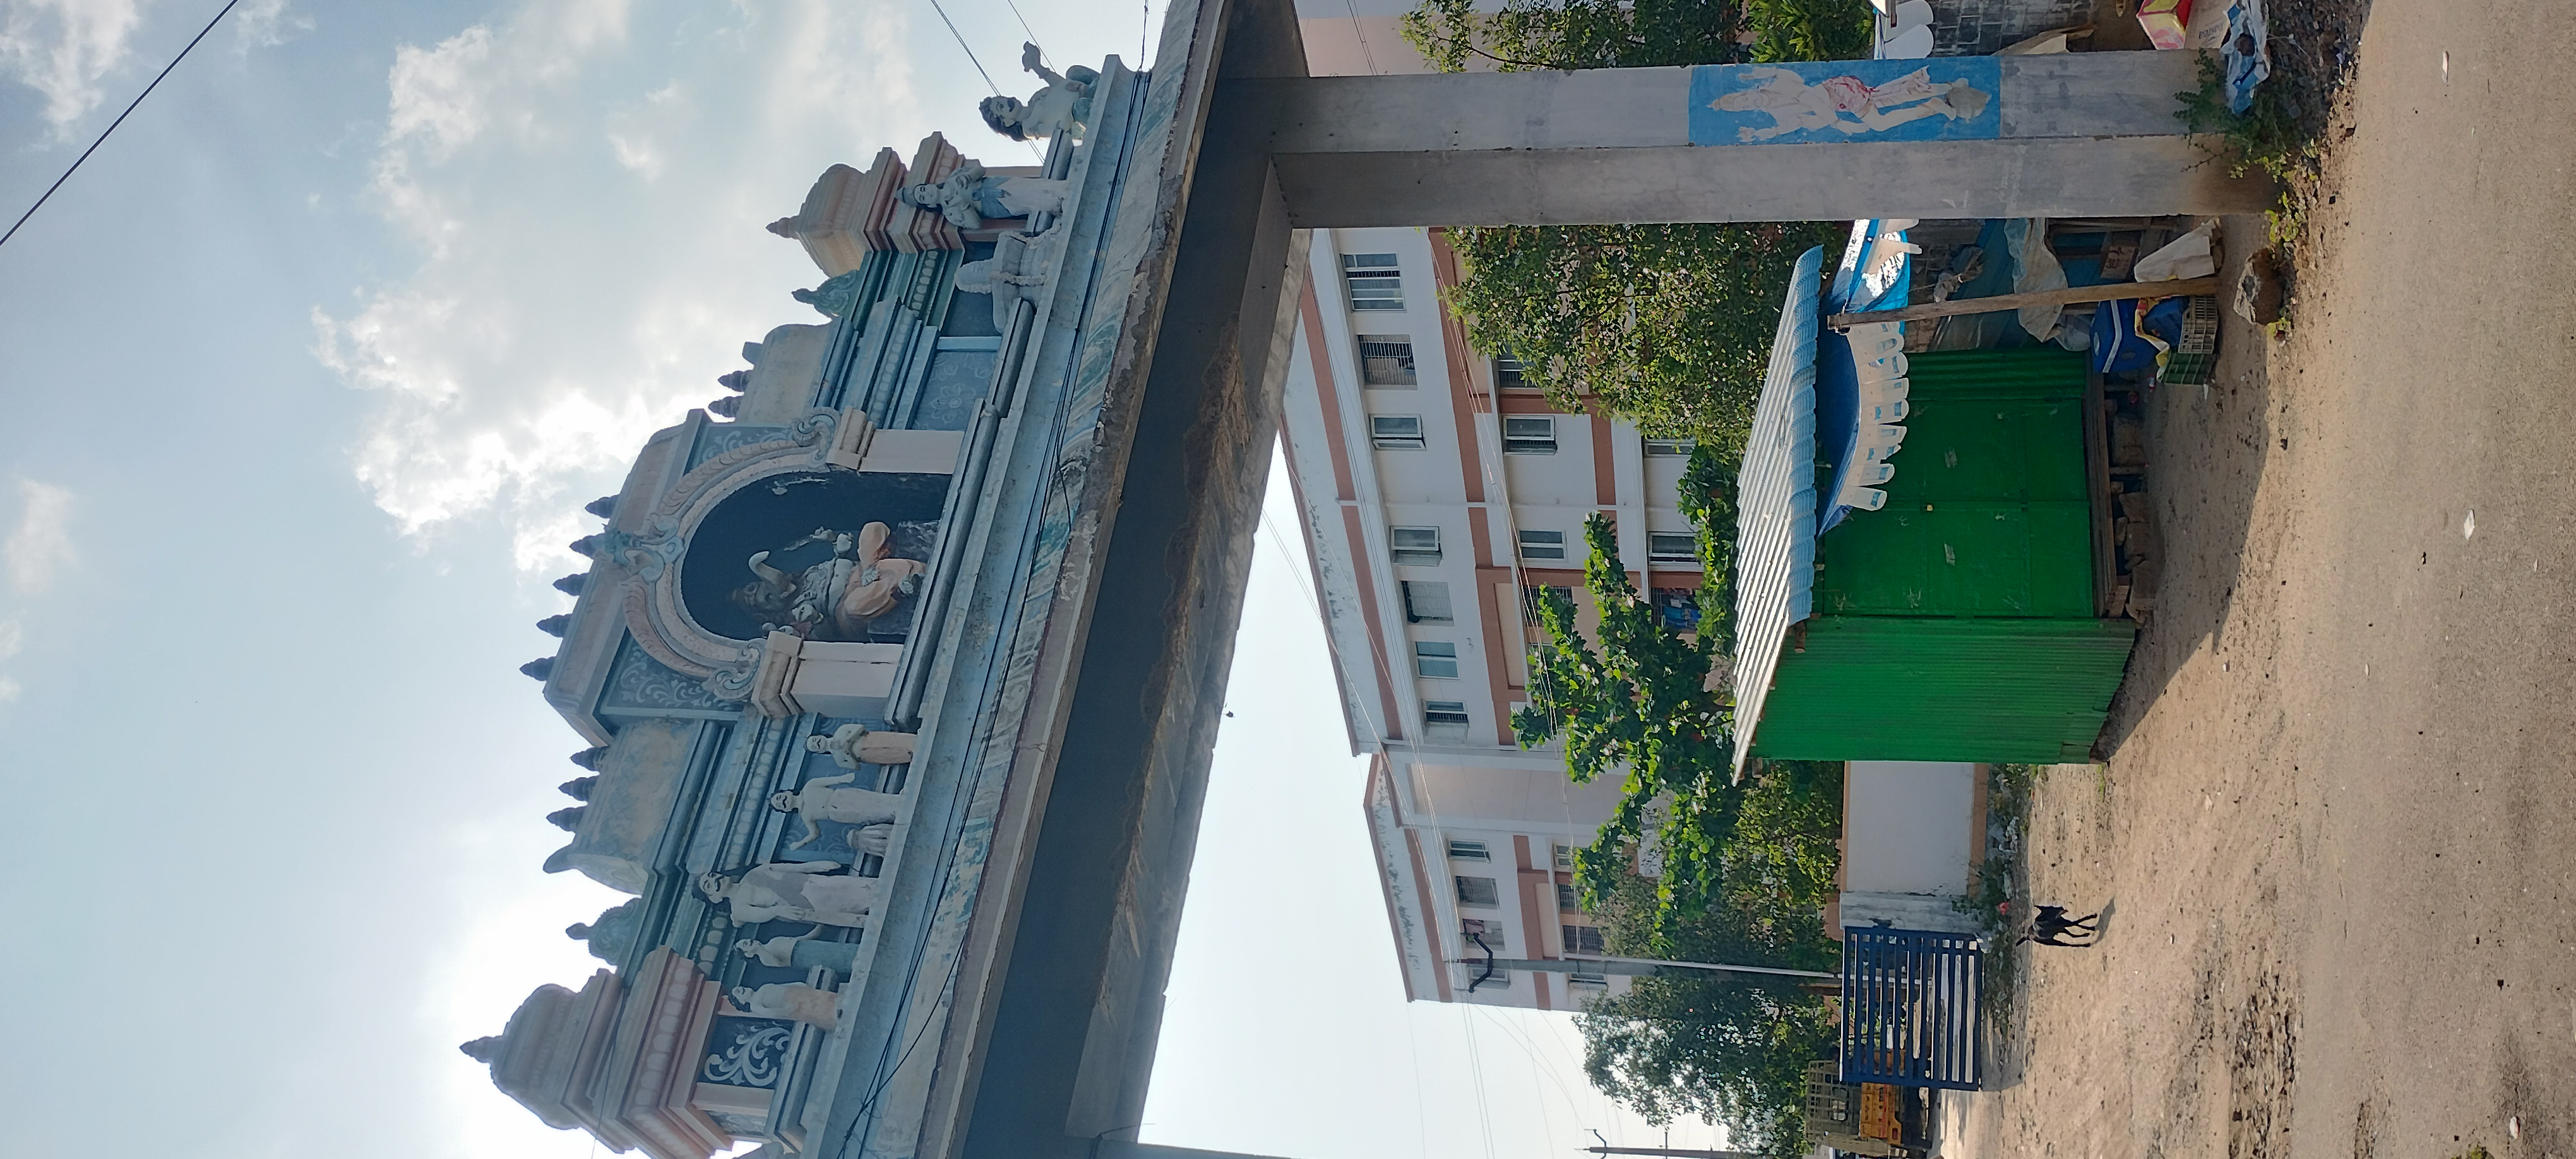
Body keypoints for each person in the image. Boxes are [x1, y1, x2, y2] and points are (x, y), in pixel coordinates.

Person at [896, 161, 1070, 230]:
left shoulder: (954, 177)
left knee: (1027, 185)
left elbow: (980, 169)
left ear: (929, 185)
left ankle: (1063, 189)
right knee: (1026, 203)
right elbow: (975, 224)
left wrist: (969, 176)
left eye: (923, 190)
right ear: (931, 206)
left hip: (995, 184)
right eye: (923, 198)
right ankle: (1057, 204)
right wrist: (964, 207)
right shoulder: (950, 213)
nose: (927, 194)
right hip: (993, 206)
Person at [981, 42, 1098, 141]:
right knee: (1081, 107)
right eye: (1002, 106)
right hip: (1081, 119)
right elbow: (1060, 129)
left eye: (1004, 99)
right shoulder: (1029, 127)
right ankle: (1099, 90)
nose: (1008, 101)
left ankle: (1102, 84)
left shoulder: (1035, 99)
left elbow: (1060, 84)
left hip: (1085, 91)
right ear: (1007, 122)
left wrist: (1037, 67)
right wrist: (1080, 96)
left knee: (1073, 72)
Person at [700, 862, 875, 927]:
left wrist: (817, 865)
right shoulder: (738, 908)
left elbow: (793, 868)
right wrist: (778, 911)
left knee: (856, 885)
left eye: (713, 875)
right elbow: (763, 915)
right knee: (852, 903)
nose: (716, 879)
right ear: (714, 898)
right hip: (805, 905)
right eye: (709, 884)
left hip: (811, 882)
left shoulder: (753, 873)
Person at [772, 770, 903, 850]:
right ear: (786, 810)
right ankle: (893, 815)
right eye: (779, 805)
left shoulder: (810, 786)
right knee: (869, 814)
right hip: (839, 813)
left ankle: (897, 801)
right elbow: (814, 833)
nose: (781, 801)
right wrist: (800, 843)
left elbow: (831, 780)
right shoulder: (806, 816)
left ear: (787, 792)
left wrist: (843, 778)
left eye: (779, 798)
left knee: (872, 799)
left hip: (841, 796)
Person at [808, 723, 919, 770]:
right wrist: (848, 754)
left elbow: (860, 727)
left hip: (868, 739)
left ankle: (914, 742)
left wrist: (849, 740)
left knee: (896, 741)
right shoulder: (838, 759)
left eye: (814, 740)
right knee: (893, 755)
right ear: (818, 752)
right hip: (868, 756)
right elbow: (855, 767)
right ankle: (911, 756)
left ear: (819, 736)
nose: (816, 743)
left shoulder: (841, 731)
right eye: (814, 746)